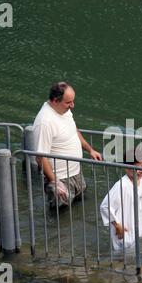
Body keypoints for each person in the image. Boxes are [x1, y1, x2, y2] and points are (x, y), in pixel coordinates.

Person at [33, 81, 102, 210]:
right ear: (55, 101)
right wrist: (55, 183)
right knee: (60, 219)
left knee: (80, 208)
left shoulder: (64, 110)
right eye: (68, 102)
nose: (72, 105)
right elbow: (41, 157)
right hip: (60, 179)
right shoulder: (45, 122)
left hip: (76, 173)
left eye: (72, 101)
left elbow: (74, 130)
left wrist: (90, 150)